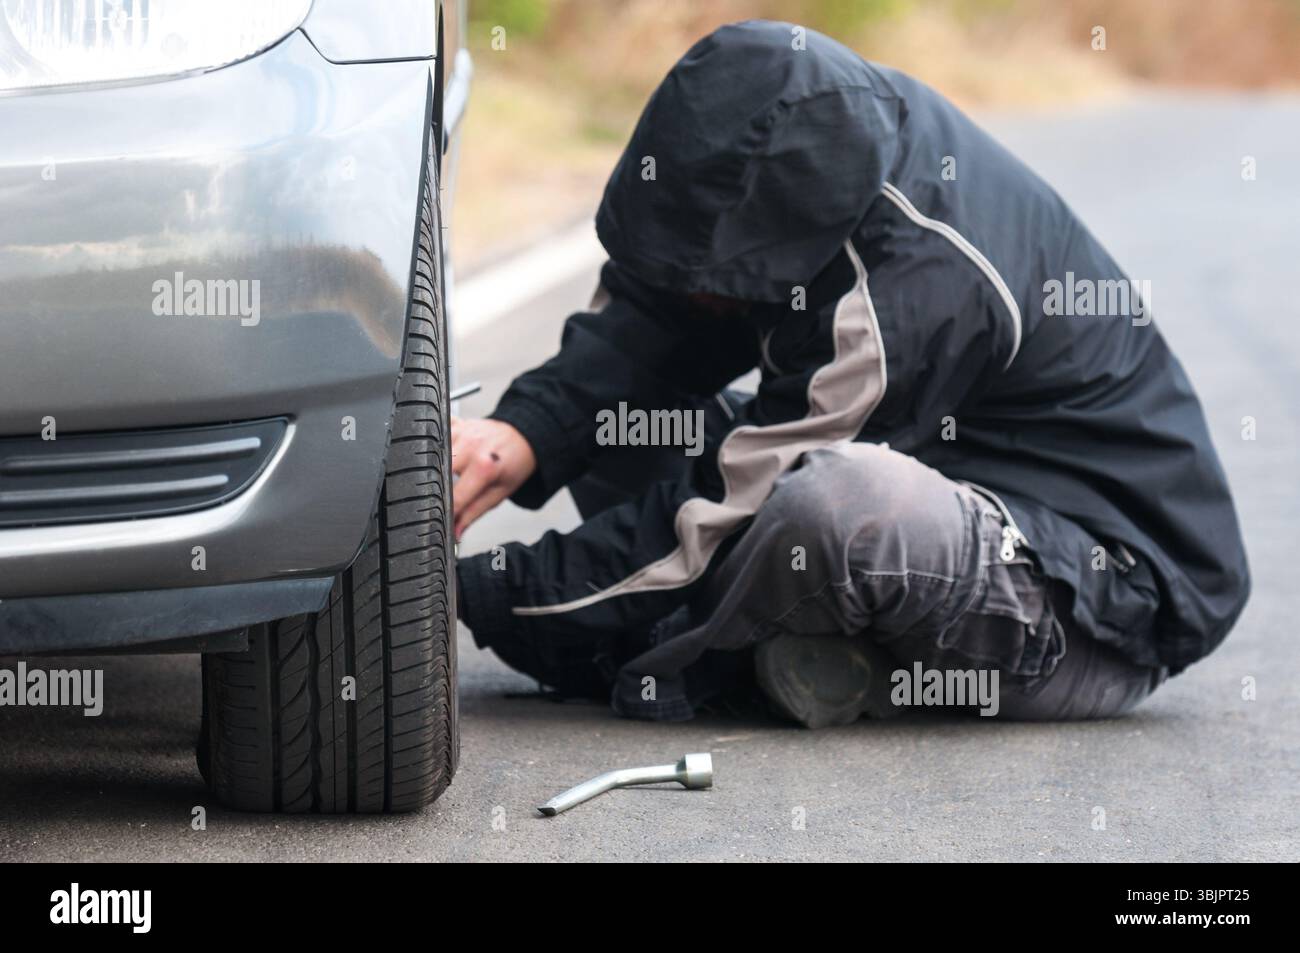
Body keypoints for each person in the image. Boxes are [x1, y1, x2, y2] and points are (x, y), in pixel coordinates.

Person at [450, 20, 1250, 728]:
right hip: (957, 492)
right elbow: (664, 315)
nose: (693, 290)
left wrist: (476, 594)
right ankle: (774, 638)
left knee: (838, 500)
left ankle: (694, 652)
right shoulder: (815, 137)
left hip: (1092, 608)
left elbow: (728, 510)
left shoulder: (912, 285)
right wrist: (525, 431)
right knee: (635, 420)